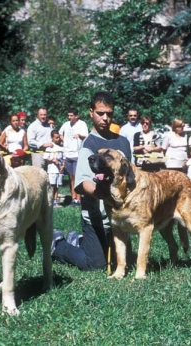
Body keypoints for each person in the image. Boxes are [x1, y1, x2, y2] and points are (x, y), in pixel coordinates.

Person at [51, 91, 132, 271]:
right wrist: (105, 194)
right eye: (100, 113)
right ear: (91, 112)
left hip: (121, 217)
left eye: (109, 114)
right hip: (97, 218)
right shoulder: (89, 145)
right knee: (95, 265)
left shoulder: (124, 143)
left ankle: (78, 240)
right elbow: (81, 183)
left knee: (128, 263)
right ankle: (59, 245)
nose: (105, 118)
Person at [59, 106, 88, 206]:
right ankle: (73, 198)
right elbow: (59, 134)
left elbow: (86, 136)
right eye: (68, 116)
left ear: (76, 116)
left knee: (77, 177)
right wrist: (65, 141)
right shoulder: (66, 124)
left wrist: (79, 136)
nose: (69, 117)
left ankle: (78, 199)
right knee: (71, 177)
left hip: (77, 154)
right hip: (68, 154)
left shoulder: (82, 124)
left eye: (71, 116)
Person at [44, 130, 65, 208]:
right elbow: (45, 157)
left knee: (56, 186)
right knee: (52, 186)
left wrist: (63, 165)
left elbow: (63, 158)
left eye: (58, 138)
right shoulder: (50, 147)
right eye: (56, 138)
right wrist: (53, 160)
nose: (58, 139)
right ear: (52, 138)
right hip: (52, 170)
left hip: (59, 170)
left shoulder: (61, 148)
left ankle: (55, 201)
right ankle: (50, 201)